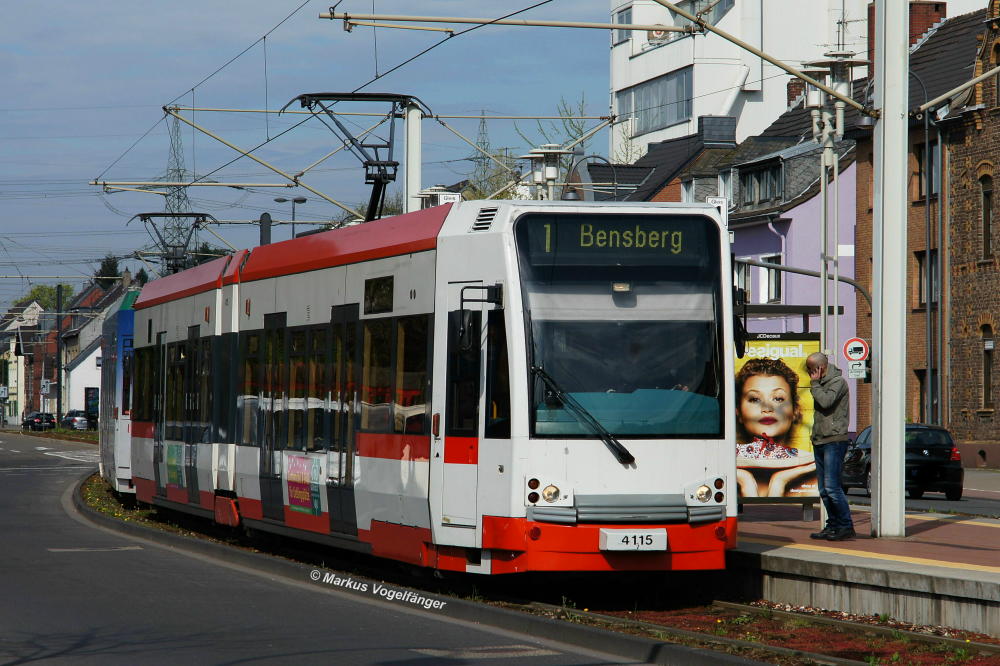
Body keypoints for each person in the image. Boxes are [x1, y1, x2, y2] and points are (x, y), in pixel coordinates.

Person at [735, 358, 815, 498]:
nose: (767, 408)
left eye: (778, 398)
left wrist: (779, 481)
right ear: (739, 412)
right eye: (754, 399)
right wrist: (745, 480)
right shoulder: (720, 463)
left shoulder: (812, 479)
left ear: (795, 410)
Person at [806, 352, 855, 540]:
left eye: (811, 370)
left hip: (834, 440)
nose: (810, 374)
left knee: (832, 487)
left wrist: (815, 384)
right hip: (820, 439)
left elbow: (826, 402)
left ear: (820, 368)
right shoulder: (822, 383)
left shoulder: (838, 382)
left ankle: (846, 525)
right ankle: (833, 524)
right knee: (823, 490)